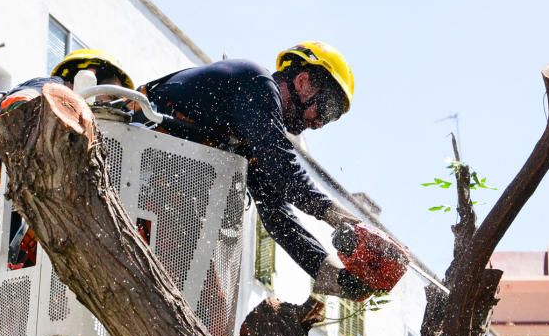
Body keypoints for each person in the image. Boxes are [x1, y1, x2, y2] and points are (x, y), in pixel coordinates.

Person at [133, 41, 386, 301]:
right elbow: (282, 167)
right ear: (303, 81)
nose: (320, 124)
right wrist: (333, 213)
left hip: (164, 200)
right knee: (190, 292)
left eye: (331, 118)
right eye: (326, 109)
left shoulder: (252, 136)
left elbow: (278, 214)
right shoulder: (256, 84)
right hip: (137, 175)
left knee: (209, 298)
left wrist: (326, 271)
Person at [0, 49, 133, 290]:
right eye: (105, 99)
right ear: (88, 76)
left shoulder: (54, 105)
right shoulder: (37, 94)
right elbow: (18, 137)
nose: (103, 110)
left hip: (3, 221)